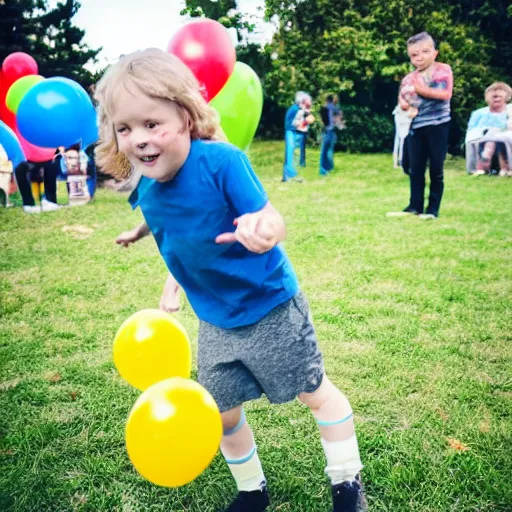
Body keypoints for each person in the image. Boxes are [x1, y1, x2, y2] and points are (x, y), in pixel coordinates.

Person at [95, 49, 366, 512]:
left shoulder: (222, 163)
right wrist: (140, 233)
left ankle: (346, 483)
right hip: (216, 321)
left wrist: (263, 231)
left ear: (184, 116)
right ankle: (251, 491)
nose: (138, 140)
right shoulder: (146, 183)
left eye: (151, 124)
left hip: (270, 308)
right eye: (125, 128)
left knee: (314, 393)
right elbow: (173, 224)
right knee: (220, 415)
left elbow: (270, 217)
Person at [387, 32, 453, 220]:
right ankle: (414, 206)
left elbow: (445, 94)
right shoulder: (408, 78)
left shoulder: (442, 70)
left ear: (435, 52)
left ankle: (432, 210)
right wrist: (404, 104)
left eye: (425, 51)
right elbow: (403, 98)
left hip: (438, 125)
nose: (420, 57)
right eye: (414, 54)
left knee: (436, 169)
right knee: (414, 168)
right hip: (415, 126)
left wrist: (419, 89)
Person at [465, 82, 512, 177]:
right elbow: (471, 130)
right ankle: (499, 167)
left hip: (505, 138)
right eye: (493, 96)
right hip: (482, 138)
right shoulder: (478, 113)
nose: (496, 98)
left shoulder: (509, 111)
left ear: (507, 97)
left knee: (498, 138)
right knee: (492, 138)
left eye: (499, 96)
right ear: (486, 98)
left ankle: (484, 164)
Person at [282, 91, 314, 182]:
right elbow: (294, 122)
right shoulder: (296, 109)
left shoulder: (302, 109)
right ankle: (289, 174)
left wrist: (306, 119)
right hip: (291, 131)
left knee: (293, 152)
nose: (310, 102)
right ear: (302, 101)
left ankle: (288, 176)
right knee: (290, 149)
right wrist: (305, 122)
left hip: (296, 131)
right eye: (308, 100)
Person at [319, 95, 344, 176]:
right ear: (332, 100)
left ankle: (323, 170)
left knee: (324, 151)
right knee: (329, 150)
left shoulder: (325, 108)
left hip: (326, 131)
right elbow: (339, 118)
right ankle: (329, 168)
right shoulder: (335, 108)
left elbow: (322, 121)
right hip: (332, 132)